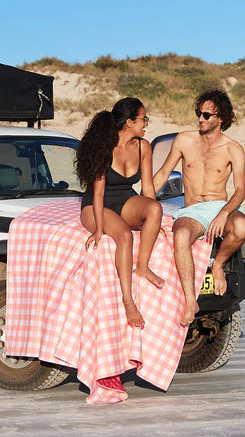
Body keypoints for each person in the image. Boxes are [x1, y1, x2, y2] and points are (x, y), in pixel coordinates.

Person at [153, 89, 245, 326]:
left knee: (241, 225)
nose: (201, 119)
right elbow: (164, 172)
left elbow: (240, 190)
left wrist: (224, 213)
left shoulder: (232, 148)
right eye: (199, 113)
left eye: (207, 115)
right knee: (181, 233)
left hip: (220, 205)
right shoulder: (185, 140)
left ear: (221, 118)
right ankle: (190, 300)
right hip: (193, 209)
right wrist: (145, 199)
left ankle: (217, 265)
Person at [75, 97, 164, 328]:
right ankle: (128, 300)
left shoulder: (144, 147)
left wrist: (155, 221)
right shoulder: (105, 146)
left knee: (155, 208)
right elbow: (98, 193)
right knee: (124, 236)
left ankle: (142, 266)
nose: (146, 123)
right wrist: (100, 230)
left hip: (125, 200)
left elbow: (147, 187)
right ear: (128, 122)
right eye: (143, 119)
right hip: (96, 205)